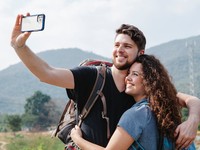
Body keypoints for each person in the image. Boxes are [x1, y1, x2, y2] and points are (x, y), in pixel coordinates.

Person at [11, 13, 200, 149]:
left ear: (140, 53)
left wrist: (192, 122)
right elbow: (46, 73)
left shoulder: (140, 89)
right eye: (117, 44)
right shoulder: (92, 77)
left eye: (127, 46)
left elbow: (192, 101)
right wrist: (19, 47)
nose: (120, 50)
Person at [70, 54, 194, 149]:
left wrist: (78, 139)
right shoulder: (165, 113)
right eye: (128, 73)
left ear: (149, 82)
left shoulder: (137, 114)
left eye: (135, 74)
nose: (128, 78)